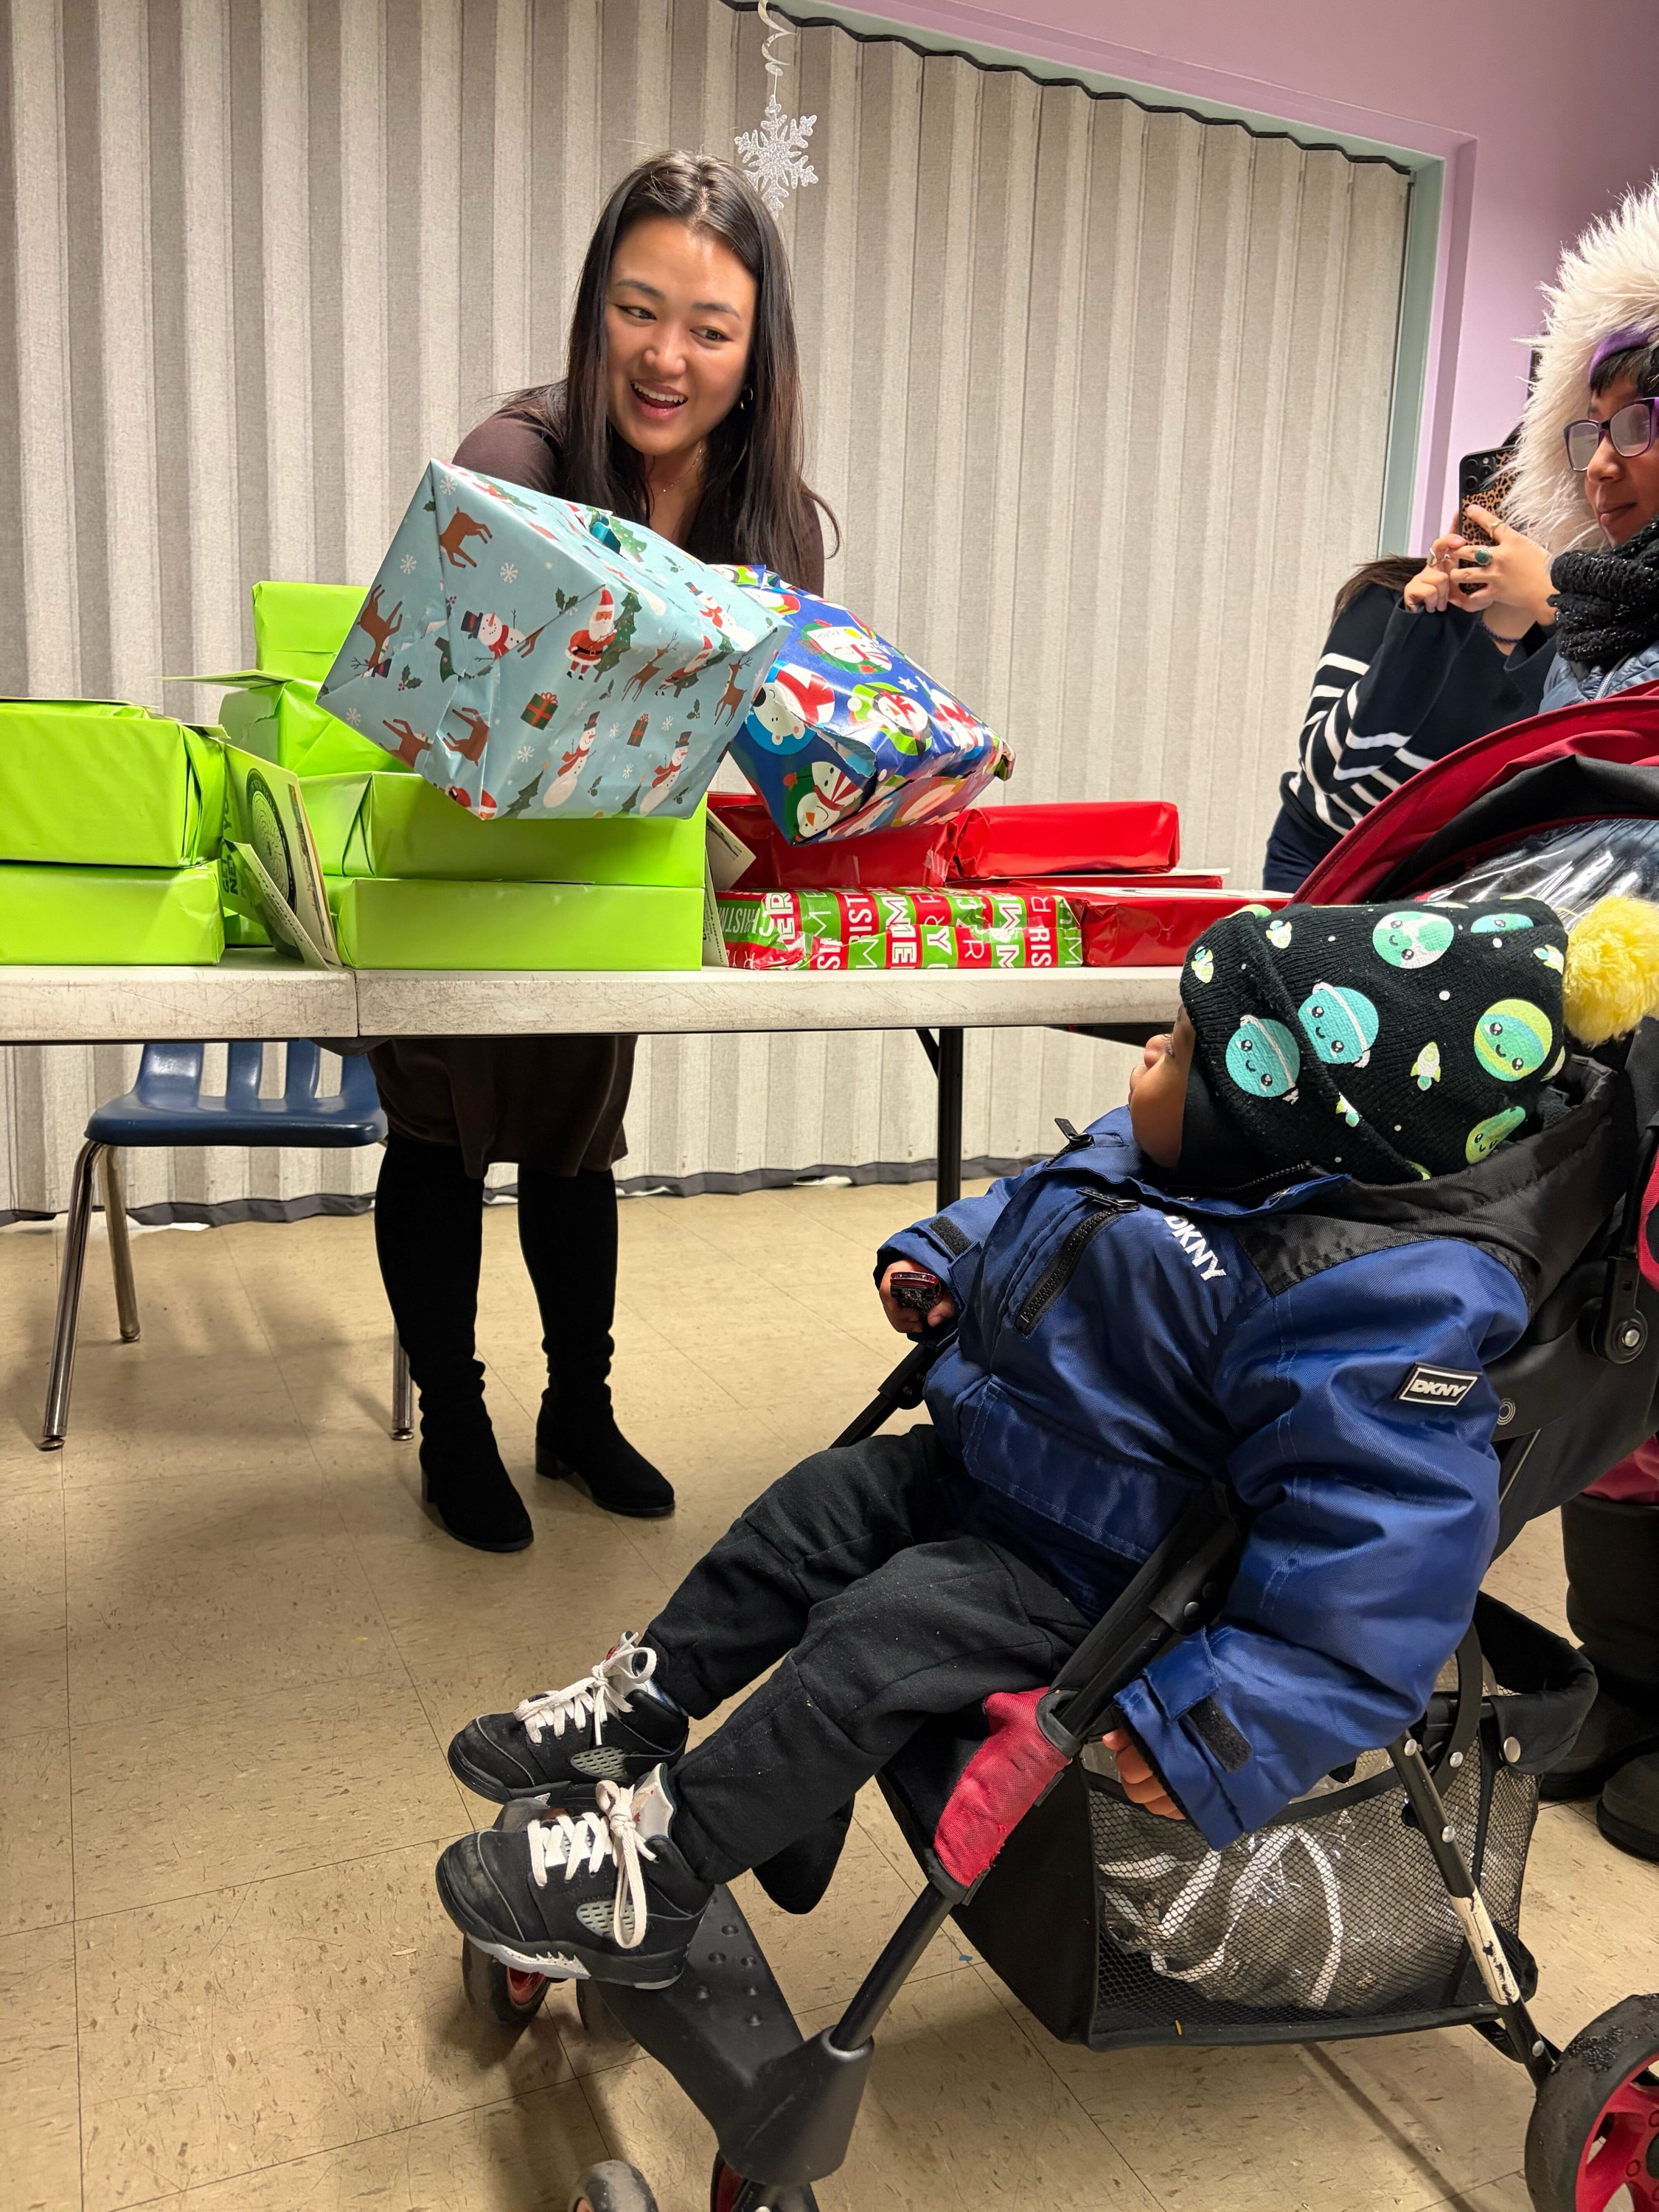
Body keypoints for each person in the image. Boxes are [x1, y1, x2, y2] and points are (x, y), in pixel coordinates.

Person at [430, 894, 1635, 1985]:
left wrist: (1225, 1727)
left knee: (875, 1636)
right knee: (806, 1510)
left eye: (1182, 1045)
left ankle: (660, 1877)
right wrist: (946, 1253)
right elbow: (1039, 1201)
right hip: (985, 1464)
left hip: (1097, 1575)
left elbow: (1382, 1557)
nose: (1149, 1049)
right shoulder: (1162, 1159)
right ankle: (643, 1706)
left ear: (1272, 1124)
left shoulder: (1358, 1305)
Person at [371, 152, 832, 1555]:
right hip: (462, 862)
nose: (667, 355)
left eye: (709, 328)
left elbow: (782, 737)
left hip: (610, 885)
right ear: (595, 308)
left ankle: (578, 1411)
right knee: (442, 1138)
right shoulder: (519, 460)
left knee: (577, 1145)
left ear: (755, 355)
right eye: (640, 311)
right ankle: (454, 1419)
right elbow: (437, 692)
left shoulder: (774, 522)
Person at [1498, 178, 1659, 1856]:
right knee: (1608, 1376)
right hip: (1604, 1041)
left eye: (1648, 423)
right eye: (1593, 422)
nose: (1607, 459)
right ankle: (1623, 1675)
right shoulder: (1591, 626)